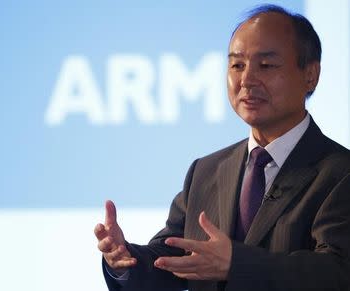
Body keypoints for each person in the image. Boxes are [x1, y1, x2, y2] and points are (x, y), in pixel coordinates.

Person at [94, 4, 350, 291]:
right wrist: (125, 259)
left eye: (266, 66)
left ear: (310, 75)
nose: (247, 80)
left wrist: (236, 263)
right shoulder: (207, 170)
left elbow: (338, 272)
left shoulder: (340, 173)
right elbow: (175, 258)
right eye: (237, 65)